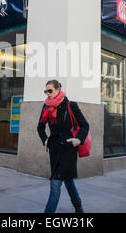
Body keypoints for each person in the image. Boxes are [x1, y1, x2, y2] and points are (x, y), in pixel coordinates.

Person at [37, 80, 90, 213]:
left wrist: (78, 140)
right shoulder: (46, 107)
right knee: (67, 179)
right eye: (46, 91)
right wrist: (45, 140)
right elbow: (40, 128)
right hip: (54, 150)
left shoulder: (70, 105)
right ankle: (78, 206)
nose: (48, 94)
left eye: (50, 91)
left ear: (58, 90)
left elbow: (85, 125)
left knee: (55, 184)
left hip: (68, 149)